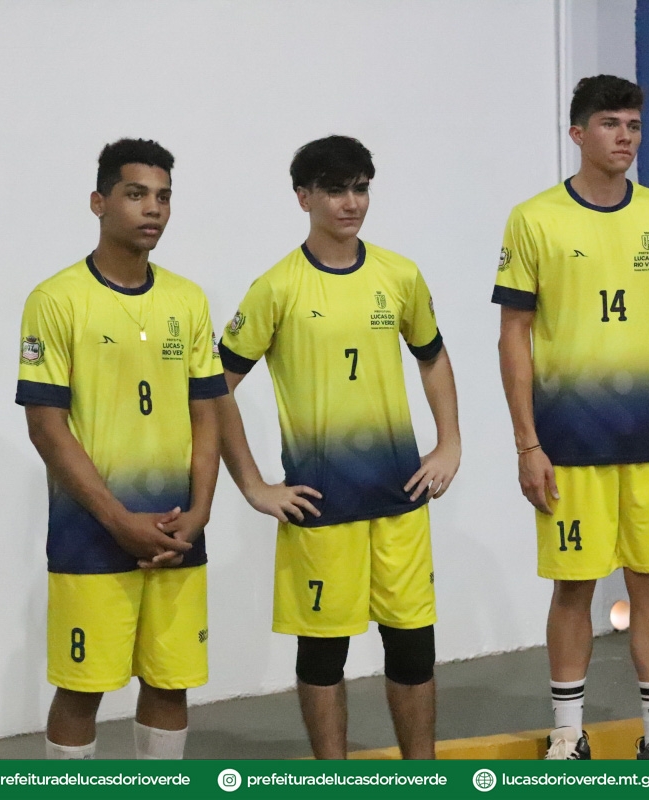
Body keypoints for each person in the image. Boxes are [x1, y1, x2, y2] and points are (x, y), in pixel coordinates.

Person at [493, 75, 649, 761]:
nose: (624, 136)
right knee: (573, 586)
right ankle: (568, 733)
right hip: (569, 442)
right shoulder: (535, 219)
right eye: (609, 124)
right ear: (577, 133)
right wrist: (526, 444)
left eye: (632, 125)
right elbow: (514, 334)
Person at [216, 135, 460, 759]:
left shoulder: (398, 275)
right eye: (334, 190)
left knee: (413, 648)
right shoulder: (276, 288)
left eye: (360, 189)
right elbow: (214, 390)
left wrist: (449, 443)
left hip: (400, 501)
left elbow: (432, 357)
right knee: (324, 655)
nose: (351, 203)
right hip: (321, 508)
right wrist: (253, 485)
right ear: (303, 197)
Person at [15, 138, 227, 760]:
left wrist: (201, 510)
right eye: (136, 194)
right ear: (99, 202)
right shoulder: (55, 299)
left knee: (170, 681)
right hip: (91, 533)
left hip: (176, 531)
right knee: (82, 690)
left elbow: (207, 413)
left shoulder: (188, 299)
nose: (152, 208)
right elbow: (45, 426)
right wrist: (117, 520)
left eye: (163, 197)